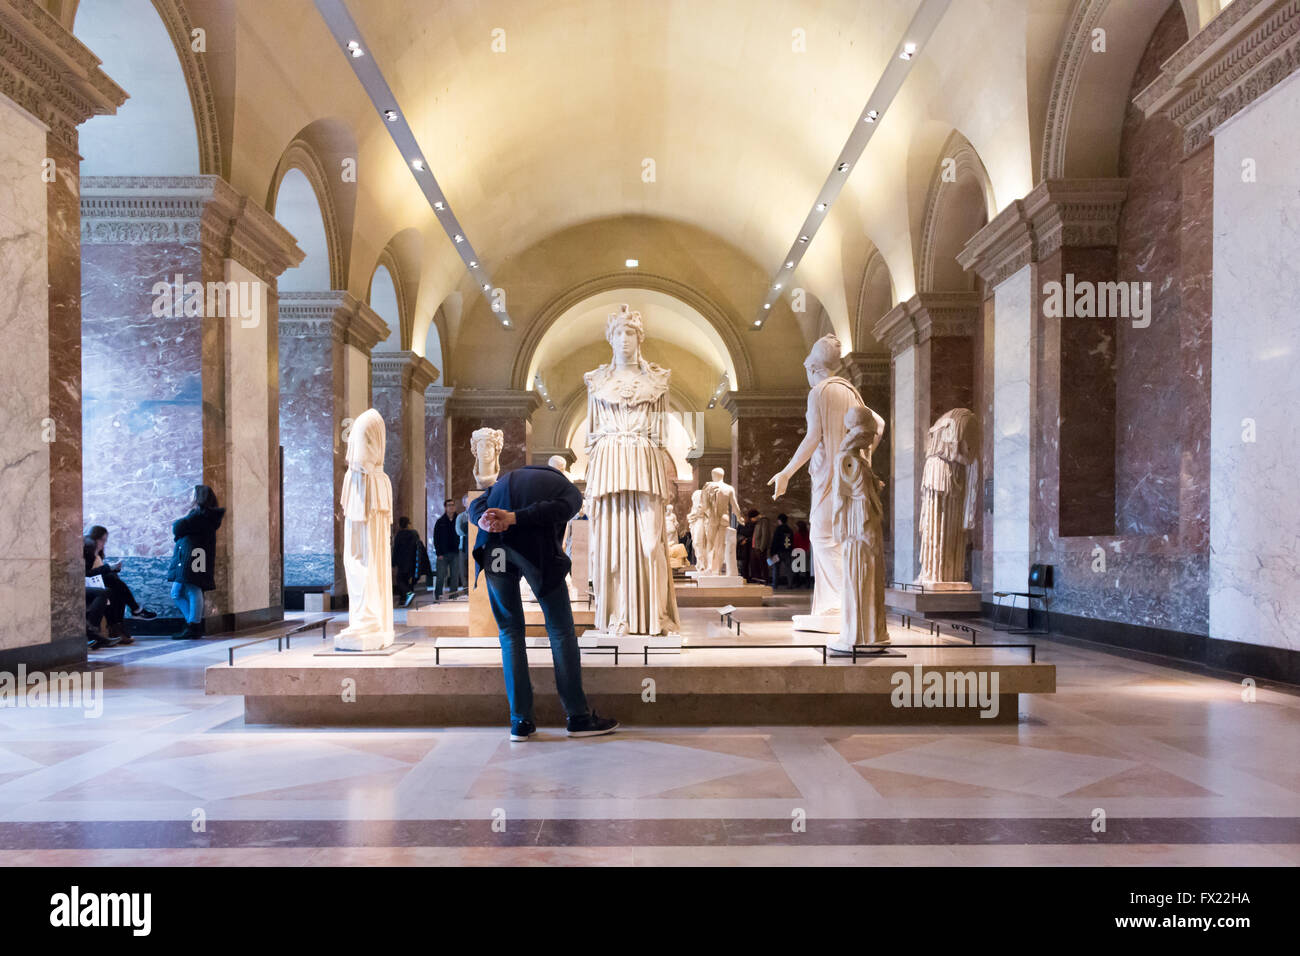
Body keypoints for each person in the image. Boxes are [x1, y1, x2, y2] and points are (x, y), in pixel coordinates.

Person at [470, 462, 618, 741]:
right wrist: (514, 518)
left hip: (495, 551)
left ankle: (520, 722)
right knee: (561, 631)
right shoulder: (566, 487)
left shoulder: (506, 480)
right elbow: (564, 509)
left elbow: (476, 504)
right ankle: (577, 717)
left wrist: (483, 519)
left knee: (510, 633)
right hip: (536, 554)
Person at [166, 485, 225, 639]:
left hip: (192, 556)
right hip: (190, 555)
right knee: (178, 592)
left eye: (193, 494)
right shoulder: (204, 515)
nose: (190, 497)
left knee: (192, 588)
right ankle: (192, 624)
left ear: (199, 497)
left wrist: (179, 525)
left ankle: (194, 625)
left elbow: (178, 527)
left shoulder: (201, 515)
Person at [391, 516, 427, 607]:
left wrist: (393, 563)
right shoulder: (414, 533)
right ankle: (404, 601)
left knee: (400, 580)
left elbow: (396, 550)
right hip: (413, 562)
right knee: (407, 581)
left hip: (402, 562)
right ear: (408, 524)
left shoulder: (399, 535)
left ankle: (408, 593)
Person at [431, 498, 459, 599]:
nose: (451, 507)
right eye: (449, 505)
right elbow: (436, 538)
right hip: (443, 554)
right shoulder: (440, 522)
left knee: (455, 576)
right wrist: (439, 553)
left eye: (453, 505)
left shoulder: (459, 519)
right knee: (440, 576)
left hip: (456, 553)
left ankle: (453, 597)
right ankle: (438, 597)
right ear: (445, 508)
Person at [769, 513, 795, 589]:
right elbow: (792, 541)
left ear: (779, 520)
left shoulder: (778, 529)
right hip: (787, 551)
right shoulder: (790, 530)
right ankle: (790, 585)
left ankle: (774, 585)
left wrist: (772, 552)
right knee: (788, 569)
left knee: (776, 568)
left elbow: (775, 541)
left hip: (778, 552)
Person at [746, 510, 771, 583]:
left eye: (752, 518)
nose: (751, 520)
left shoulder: (764, 521)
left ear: (755, 517)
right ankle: (758, 579)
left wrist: (761, 548)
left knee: (763, 564)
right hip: (755, 547)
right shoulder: (758, 522)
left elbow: (765, 535)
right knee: (755, 565)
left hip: (759, 548)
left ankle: (765, 580)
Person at [455, 494, 470, 590]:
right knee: (463, 568)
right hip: (463, 546)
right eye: (467, 501)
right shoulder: (461, 516)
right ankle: (465, 588)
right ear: (464, 503)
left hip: (475, 545)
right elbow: (459, 531)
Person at [793, 520, 812, 589]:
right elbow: (809, 543)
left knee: (797, 569)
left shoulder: (796, 535)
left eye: (796, 527)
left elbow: (795, 544)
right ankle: (808, 583)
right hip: (806, 553)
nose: (795, 528)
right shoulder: (808, 534)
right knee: (807, 570)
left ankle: (798, 583)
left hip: (798, 553)